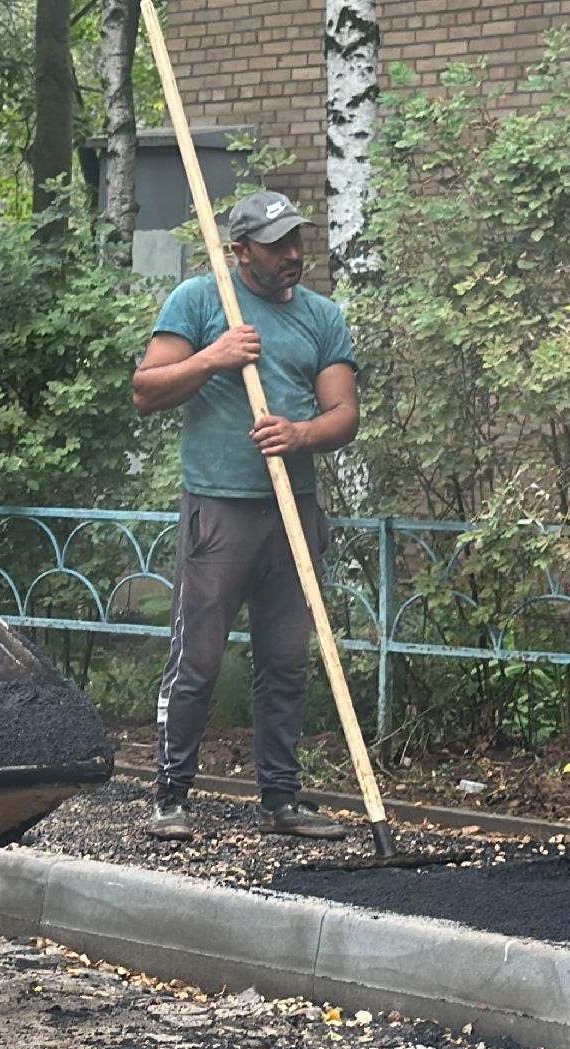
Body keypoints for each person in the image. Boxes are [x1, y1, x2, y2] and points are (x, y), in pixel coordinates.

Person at [130, 189, 360, 842]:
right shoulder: (201, 301)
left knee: (286, 659)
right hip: (219, 512)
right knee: (198, 659)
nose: (293, 253)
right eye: (277, 243)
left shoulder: (321, 315)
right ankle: (170, 798)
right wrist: (215, 358)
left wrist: (302, 435)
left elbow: (344, 413)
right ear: (241, 251)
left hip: (295, 512)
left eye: (297, 240)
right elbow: (146, 391)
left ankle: (281, 798)